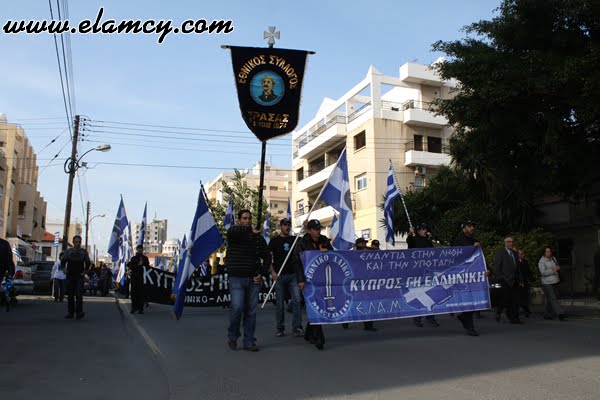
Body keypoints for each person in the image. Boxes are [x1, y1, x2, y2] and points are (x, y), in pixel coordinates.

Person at [226, 209, 271, 352]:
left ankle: (249, 340)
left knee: (251, 312)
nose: (247, 221)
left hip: (253, 279)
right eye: (244, 218)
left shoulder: (258, 238)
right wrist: (249, 230)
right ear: (239, 220)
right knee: (237, 307)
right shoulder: (234, 234)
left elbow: (267, 256)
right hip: (236, 278)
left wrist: (261, 273)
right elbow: (232, 232)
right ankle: (233, 336)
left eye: (249, 218)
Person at [294, 219, 332, 350]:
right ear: (309, 231)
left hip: (323, 278)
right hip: (308, 280)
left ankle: (309, 334)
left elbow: (335, 256)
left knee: (318, 306)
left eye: (319, 228)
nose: (318, 231)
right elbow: (297, 262)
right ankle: (319, 338)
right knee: (314, 306)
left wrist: (327, 252)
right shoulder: (302, 243)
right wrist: (301, 280)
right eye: (315, 229)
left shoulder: (325, 241)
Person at [268, 218, 303, 337]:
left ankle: (297, 327)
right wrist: (273, 272)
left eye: (289, 225)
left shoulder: (295, 240)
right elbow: (268, 258)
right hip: (279, 276)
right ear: (281, 226)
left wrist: (306, 227)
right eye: (285, 225)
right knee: (279, 303)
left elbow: (306, 241)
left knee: (297, 301)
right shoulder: (274, 241)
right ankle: (280, 328)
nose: (287, 227)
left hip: (293, 275)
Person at [407, 223, 440, 328]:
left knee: (432, 293)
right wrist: (410, 234)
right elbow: (409, 244)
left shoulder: (428, 241)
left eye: (426, 229)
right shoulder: (413, 239)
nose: (425, 231)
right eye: (422, 229)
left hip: (428, 272)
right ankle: (417, 318)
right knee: (419, 294)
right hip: (417, 272)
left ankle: (430, 317)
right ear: (418, 231)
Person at [342, 238, 378, 331]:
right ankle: (345, 321)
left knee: (368, 304)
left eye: (365, 243)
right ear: (358, 245)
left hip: (366, 283)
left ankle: (368, 325)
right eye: (362, 243)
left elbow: (376, 252)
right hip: (354, 283)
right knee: (352, 303)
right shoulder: (352, 255)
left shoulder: (368, 254)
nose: (364, 245)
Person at [452, 221, 481, 336]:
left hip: (473, 275)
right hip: (462, 275)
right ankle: (470, 327)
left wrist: (487, 269)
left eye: (473, 226)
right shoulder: (459, 240)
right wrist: (471, 248)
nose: (472, 228)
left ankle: (464, 318)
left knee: (473, 301)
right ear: (463, 228)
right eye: (469, 226)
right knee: (468, 301)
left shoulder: (474, 240)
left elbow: (479, 258)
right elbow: (456, 255)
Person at [493, 237, 523, 324]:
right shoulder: (500, 252)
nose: (511, 243)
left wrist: (520, 280)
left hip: (515, 280)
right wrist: (501, 278)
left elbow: (518, 268)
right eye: (509, 242)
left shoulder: (515, 253)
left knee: (515, 301)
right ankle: (500, 312)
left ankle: (514, 318)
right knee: (505, 300)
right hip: (505, 280)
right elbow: (497, 267)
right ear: (505, 243)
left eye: (512, 242)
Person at [61, 235, 91, 320]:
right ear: (73, 242)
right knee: (70, 295)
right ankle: (70, 312)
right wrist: (64, 269)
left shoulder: (83, 252)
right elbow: (63, 261)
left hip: (79, 276)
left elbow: (88, 263)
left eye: (79, 242)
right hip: (70, 275)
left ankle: (79, 312)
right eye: (76, 242)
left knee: (79, 295)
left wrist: (85, 272)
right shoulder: (69, 251)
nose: (77, 244)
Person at [538, 246, 566, 321]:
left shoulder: (553, 258)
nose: (549, 253)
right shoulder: (541, 261)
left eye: (550, 251)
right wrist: (553, 270)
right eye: (547, 251)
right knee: (553, 298)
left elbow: (556, 268)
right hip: (547, 283)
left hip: (555, 281)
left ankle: (547, 314)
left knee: (551, 298)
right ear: (544, 253)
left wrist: (557, 269)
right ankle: (560, 313)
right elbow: (543, 272)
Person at [127, 245, 149, 314]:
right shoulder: (133, 258)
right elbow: (131, 267)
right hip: (134, 278)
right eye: (139, 249)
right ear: (137, 249)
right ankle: (134, 308)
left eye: (141, 249)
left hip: (142, 279)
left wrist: (143, 265)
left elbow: (147, 267)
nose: (140, 250)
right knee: (134, 294)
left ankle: (140, 308)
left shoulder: (145, 258)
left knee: (141, 294)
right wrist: (138, 265)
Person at [516, 248, 532, 317]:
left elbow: (528, 271)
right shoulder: (516, 262)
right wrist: (520, 281)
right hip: (519, 282)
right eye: (521, 254)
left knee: (524, 297)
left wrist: (531, 278)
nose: (523, 255)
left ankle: (525, 310)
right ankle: (522, 310)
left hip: (525, 281)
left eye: (523, 253)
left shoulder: (525, 261)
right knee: (519, 297)